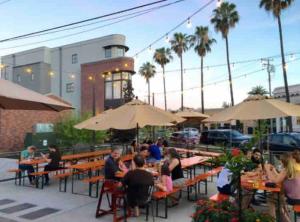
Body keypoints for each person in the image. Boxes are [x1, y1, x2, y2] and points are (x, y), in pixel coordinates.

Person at [264, 153, 300, 222]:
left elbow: (275, 181)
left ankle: (272, 220)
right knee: (279, 198)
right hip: (297, 197)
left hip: (294, 199)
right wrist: (273, 170)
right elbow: (279, 177)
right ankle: (284, 217)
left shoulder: (286, 170)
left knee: (271, 199)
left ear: (283, 161)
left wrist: (267, 169)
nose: (279, 162)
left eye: (280, 160)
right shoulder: (294, 169)